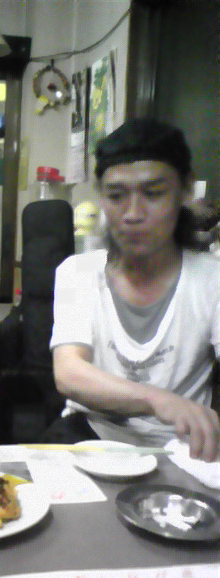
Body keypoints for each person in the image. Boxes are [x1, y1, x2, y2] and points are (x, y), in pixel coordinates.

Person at [42, 118, 220, 462]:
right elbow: (69, 373)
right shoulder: (78, 272)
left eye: (153, 193)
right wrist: (156, 399)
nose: (133, 214)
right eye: (116, 196)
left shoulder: (211, 281)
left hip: (181, 450)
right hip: (90, 438)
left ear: (185, 190)